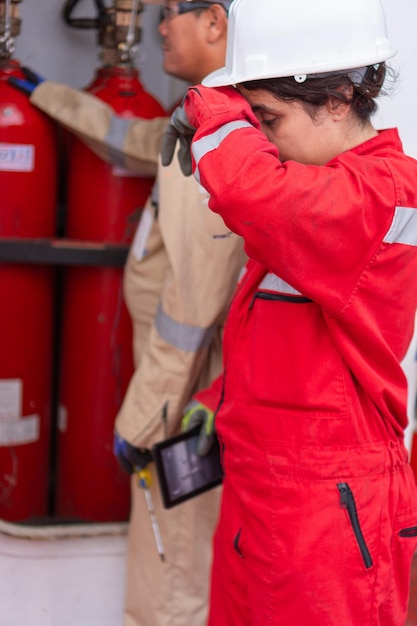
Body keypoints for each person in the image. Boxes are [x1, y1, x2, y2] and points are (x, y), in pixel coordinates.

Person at [162, 0, 417, 624]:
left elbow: (262, 198)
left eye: (269, 119)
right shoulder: (319, 187)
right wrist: (220, 401)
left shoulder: (386, 192)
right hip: (261, 499)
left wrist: (217, 114)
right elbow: (299, 339)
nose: (264, 139)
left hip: (330, 514)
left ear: (339, 98)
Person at [9, 2, 244, 625]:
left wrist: (140, 421)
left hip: (181, 405)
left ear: (216, 24)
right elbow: (130, 140)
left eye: (171, 13)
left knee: (172, 577)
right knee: (171, 560)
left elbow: (191, 314)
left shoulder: (219, 149)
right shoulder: (196, 123)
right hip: (174, 396)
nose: (160, 27)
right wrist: (49, 94)